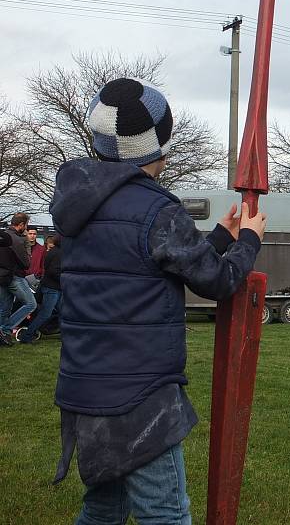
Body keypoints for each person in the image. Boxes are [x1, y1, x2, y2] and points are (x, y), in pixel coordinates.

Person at [49, 78, 266, 524]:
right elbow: (220, 282)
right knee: (164, 514)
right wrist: (248, 240)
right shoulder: (157, 210)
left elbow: (148, 260)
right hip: (140, 396)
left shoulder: (79, 206)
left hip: (85, 388)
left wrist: (220, 236)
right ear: (158, 143)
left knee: (105, 508)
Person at [0, 212, 37, 345]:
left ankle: (3, 337)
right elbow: (26, 264)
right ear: (21, 224)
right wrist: (27, 243)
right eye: (26, 225)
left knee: (5, 308)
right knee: (31, 304)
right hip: (14, 276)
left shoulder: (3, 235)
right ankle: (5, 329)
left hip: (2, 276)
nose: (26, 228)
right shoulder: (16, 240)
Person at [18, 234, 62, 343]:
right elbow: (53, 271)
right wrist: (64, 278)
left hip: (49, 286)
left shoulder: (52, 251)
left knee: (62, 312)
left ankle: (65, 334)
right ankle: (27, 335)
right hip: (52, 288)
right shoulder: (59, 253)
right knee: (45, 313)